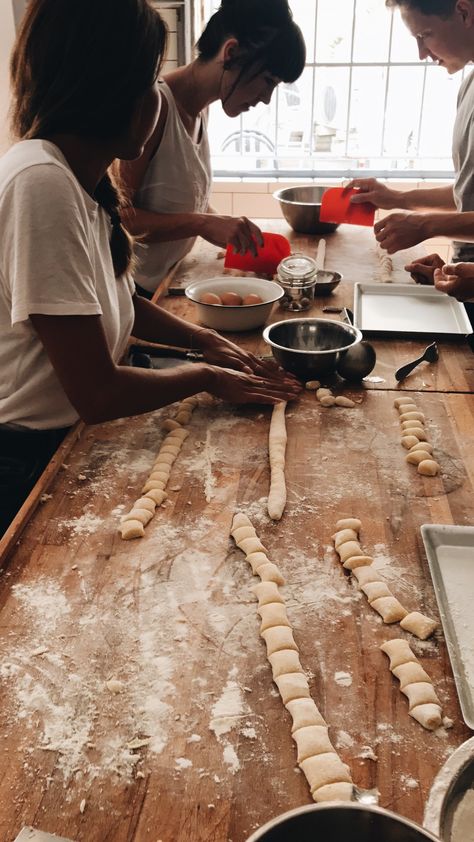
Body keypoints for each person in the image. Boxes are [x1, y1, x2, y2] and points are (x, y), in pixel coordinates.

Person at [0, 0, 301, 536]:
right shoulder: (39, 183)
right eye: (143, 79)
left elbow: (116, 300)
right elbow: (97, 392)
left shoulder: (79, 179)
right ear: (101, 88)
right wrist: (205, 376)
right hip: (25, 462)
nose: (154, 95)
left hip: (66, 441)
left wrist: (205, 342)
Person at [118, 0, 306, 298]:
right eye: (268, 81)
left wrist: (227, 227)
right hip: (137, 295)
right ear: (230, 53)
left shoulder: (202, 111)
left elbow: (180, 202)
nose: (267, 98)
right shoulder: (153, 107)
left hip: (171, 284)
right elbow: (117, 219)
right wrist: (202, 224)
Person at [347, 0, 474, 285]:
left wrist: (426, 224)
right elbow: (467, 192)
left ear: (464, 13)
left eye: (424, 35)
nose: (421, 53)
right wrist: (398, 198)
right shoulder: (469, 87)